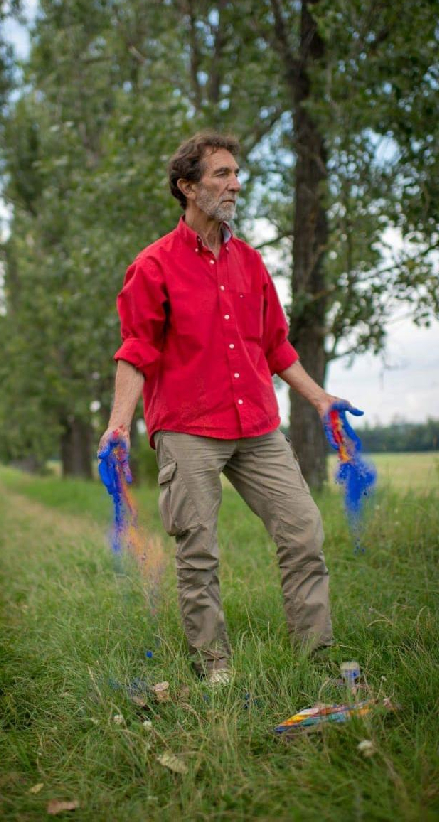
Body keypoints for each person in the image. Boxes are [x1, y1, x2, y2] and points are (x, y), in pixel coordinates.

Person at [99, 131, 344, 684]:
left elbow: (277, 347)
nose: (234, 184)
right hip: (187, 427)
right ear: (187, 186)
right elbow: (136, 350)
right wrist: (118, 425)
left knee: (303, 530)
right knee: (199, 551)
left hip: (257, 425)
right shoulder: (153, 266)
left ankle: (316, 660)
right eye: (220, 174)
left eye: (236, 174)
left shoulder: (251, 263)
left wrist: (322, 399)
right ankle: (216, 669)